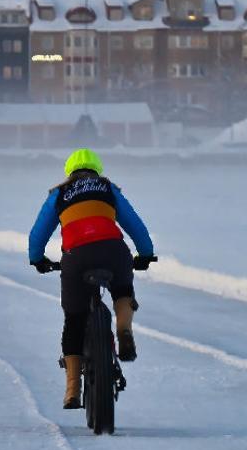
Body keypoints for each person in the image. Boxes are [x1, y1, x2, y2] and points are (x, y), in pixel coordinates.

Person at [28, 148, 156, 409]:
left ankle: (72, 390)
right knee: (122, 290)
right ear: (97, 169)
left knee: (74, 319)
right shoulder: (108, 188)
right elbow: (135, 224)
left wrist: (38, 259)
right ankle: (123, 329)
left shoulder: (58, 194)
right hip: (113, 251)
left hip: (77, 257)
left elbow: (38, 233)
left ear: (69, 172)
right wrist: (145, 254)